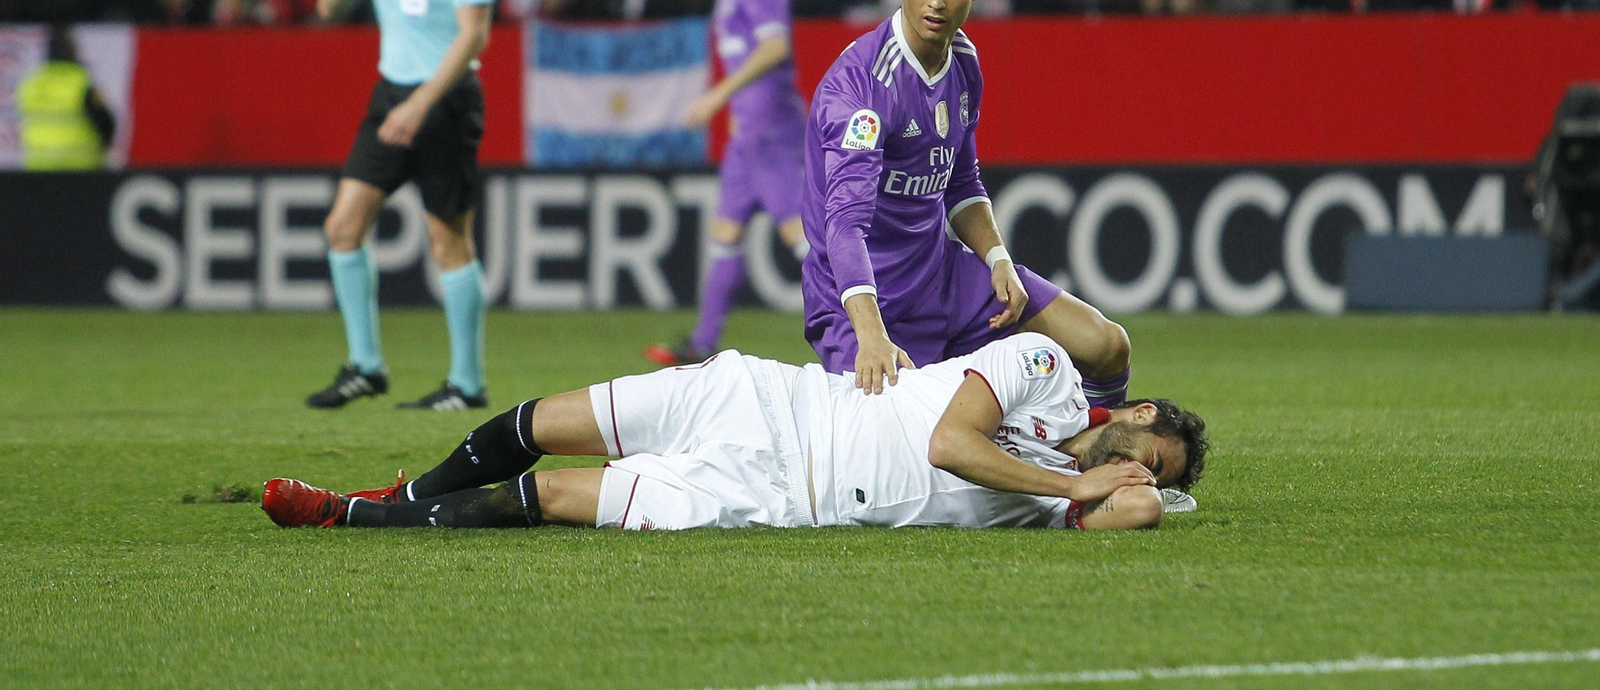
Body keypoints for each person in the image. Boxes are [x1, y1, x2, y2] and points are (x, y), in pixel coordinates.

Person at [262, 332, 1207, 533]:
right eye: (1147, 457)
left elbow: (1134, 520)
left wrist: (1142, 502)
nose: (1138, 475)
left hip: (768, 499)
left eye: (1152, 476)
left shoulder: (1060, 508)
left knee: (546, 497)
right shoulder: (1042, 369)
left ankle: (344, 516)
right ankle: (411, 491)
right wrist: (1078, 482)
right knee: (539, 422)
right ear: (1134, 413)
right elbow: (950, 445)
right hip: (763, 403)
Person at [799, 0, 1132, 408]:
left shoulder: (964, 62)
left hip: (942, 279)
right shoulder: (862, 93)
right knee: (910, 452)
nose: (936, 1)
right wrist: (870, 334)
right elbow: (844, 226)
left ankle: (1105, 458)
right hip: (866, 303)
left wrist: (998, 260)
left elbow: (959, 181)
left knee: (1105, 345)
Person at [308, 0, 498, 412]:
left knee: (448, 244)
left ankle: (467, 383)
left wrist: (422, 104)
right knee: (343, 226)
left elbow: (474, 34)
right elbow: (327, 4)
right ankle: (366, 366)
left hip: (442, 100)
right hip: (390, 96)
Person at [645, 0, 810, 366]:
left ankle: (868, 328)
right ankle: (702, 342)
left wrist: (719, 95)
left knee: (799, 236)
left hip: (772, 127)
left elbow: (775, 48)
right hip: (747, 135)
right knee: (724, 232)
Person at [15, 27, 115, 170]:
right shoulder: (80, 84)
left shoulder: (30, 84)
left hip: (38, 168)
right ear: (72, 52)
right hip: (80, 169)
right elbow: (107, 123)